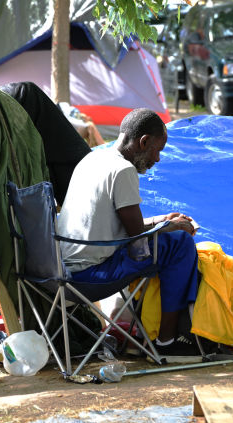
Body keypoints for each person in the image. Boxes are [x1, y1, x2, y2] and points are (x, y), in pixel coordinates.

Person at [55, 108, 202, 354]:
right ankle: (166, 341)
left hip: (62, 269)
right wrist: (173, 227)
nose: (157, 159)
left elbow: (122, 223)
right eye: (158, 150)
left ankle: (159, 333)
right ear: (144, 142)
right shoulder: (123, 170)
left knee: (170, 237)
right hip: (91, 276)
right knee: (180, 244)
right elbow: (136, 236)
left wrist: (162, 220)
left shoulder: (94, 158)